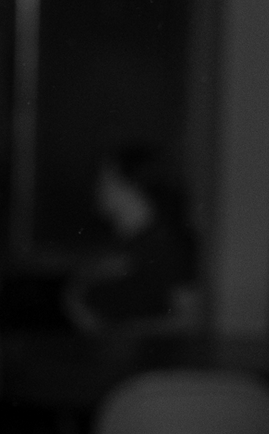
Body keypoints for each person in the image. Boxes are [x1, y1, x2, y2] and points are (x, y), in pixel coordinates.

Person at [63, 141, 202, 336]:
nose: (98, 187)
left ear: (133, 185)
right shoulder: (117, 241)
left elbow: (187, 319)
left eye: (107, 179)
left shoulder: (165, 244)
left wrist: (119, 333)